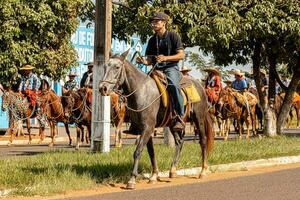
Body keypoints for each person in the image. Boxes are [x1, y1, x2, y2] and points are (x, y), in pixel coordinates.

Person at [136, 12, 185, 131]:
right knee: (140, 86)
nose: (153, 24)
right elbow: (149, 60)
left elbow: (181, 55)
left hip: (170, 68)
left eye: (156, 22)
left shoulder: (173, 36)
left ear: (164, 23)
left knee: (173, 85)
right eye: (152, 22)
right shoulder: (152, 40)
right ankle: (136, 121)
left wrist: (165, 58)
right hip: (156, 69)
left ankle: (179, 117)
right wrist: (143, 61)